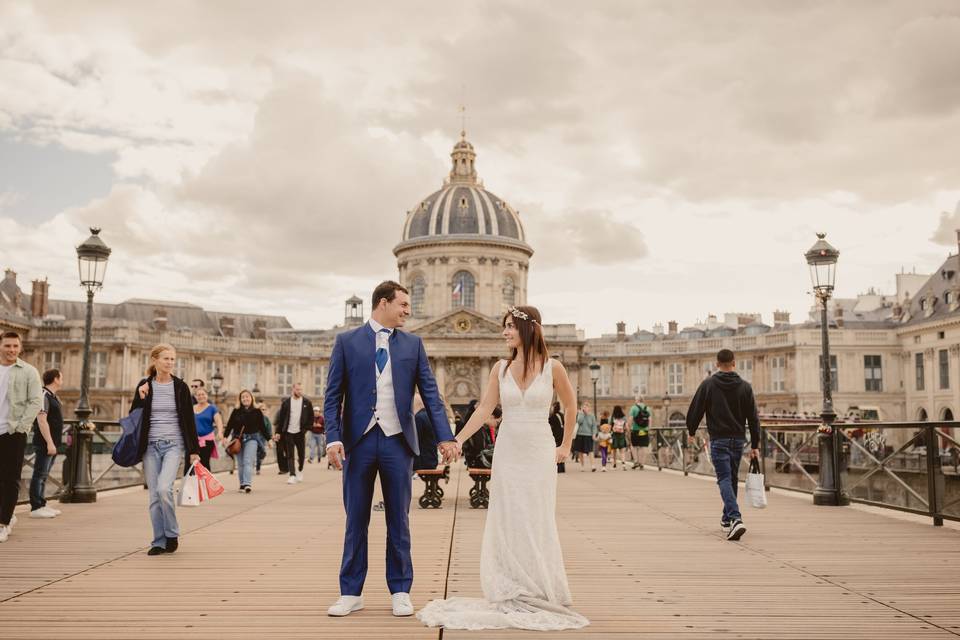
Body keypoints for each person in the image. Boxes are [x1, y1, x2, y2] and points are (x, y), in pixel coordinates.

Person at [418, 305, 589, 631]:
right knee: (509, 516)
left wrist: (565, 445)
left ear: (528, 329)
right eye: (504, 327)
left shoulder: (553, 367)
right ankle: (511, 583)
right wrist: (455, 439)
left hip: (539, 450)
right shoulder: (500, 367)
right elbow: (484, 409)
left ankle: (538, 584)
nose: (504, 332)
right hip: (509, 450)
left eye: (510, 326)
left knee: (537, 516)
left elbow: (570, 405)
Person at [324, 281, 459, 618]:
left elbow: (431, 393)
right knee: (356, 519)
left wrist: (445, 437)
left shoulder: (413, 344)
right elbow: (332, 395)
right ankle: (350, 592)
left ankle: (400, 589)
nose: (407, 312)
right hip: (359, 441)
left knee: (399, 519)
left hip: (398, 441)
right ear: (382, 303)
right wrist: (333, 437)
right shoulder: (346, 342)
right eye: (402, 305)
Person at [131, 344, 200, 555]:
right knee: (154, 496)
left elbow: (189, 420)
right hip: (150, 446)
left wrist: (193, 450)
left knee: (164, 489)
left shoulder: (180, 387)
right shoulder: (144, 386)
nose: (170, 362)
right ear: (154, 360)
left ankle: (172, 532)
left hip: (174, 445)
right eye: (166, 358)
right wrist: (140, 397)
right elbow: (134, 417)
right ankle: (158, 541)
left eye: (172, 359)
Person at [686, 348, 760, 542]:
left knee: (724, 479)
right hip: (738, 439)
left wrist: (691, 430)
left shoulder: (709, 384)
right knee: (732, 478)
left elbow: (696, 408)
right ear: (734, 363)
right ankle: (726, 518)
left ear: (716, 364)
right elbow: (753, 418)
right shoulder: (745, 387)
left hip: (719, 439)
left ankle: (735, 518)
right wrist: (755, 444)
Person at [0, 331, 43, 543]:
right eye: (7, 346)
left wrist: (22, 426)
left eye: (15, 346)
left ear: (20, 347)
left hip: (12, 431)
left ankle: (3, 523)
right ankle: (7, 513)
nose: (11, 350)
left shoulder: (28, 371)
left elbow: (36, 401)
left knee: (10, 478)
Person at [29, 368, 64, 518]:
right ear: (56, 379)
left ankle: (41, 504)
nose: (62, 380)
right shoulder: (44, 395)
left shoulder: (53, 396)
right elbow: (41, 420)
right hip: (45, 442)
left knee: (44, 474)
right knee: (39, 474)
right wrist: (49, 443)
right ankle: (36, 506)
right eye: (61, 377)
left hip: (52, 442)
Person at [224, 390, 270, 492]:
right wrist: (225, 436)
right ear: (240, 399)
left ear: (251, 398)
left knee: (248, 461)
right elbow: (230, 425)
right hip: (238, 440)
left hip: (252, 438)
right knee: (240, 463)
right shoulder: (236, 411)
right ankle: (241, 484)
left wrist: (269, 439)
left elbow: (262, 427)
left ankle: (247, 483)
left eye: (247, 397)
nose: (245, 399)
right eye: (243, 397)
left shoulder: (257, 411)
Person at [274, 382, 314, 484]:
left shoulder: (307, 403)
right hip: (288, 432)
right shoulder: (286, 403)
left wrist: (305, 429)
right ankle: (292, 475)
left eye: (301, 389)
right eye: (297, 389)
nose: (299, 391)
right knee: (290, 455)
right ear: (293, 390)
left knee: (301, 455)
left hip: (300, 432)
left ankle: (300, 469)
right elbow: (281, 419)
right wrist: (278, 432)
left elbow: (311, 418)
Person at [192, 387, 223, 472]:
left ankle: (207, 484)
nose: (201, 396)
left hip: (207, 440)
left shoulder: (212, 408)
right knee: (193, 463)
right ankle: (195, 484)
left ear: (207, 395)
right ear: (195, 397)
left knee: (204, 463)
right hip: (193, 441)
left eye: (203, 394)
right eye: (198, 395)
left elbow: (218, 421)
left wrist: (220, 432)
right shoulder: (192, 408)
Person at [573, 401, 597, 472]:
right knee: (580, 451)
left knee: (590, 451)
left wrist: (594, 434)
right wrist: (582, 414)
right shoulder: (580, 414)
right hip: (580, 434)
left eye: (587, 406)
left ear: (589, 408)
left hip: (588, 435)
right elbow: (579, 421)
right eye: (584, 406)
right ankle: (582, 466)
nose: (586, 408)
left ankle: (593, 466)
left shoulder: (592, 416)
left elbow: (594, 426)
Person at [629, 396, 651, 469]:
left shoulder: (633, 408)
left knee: (634, 446)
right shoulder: (648, 408)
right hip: (644, 430)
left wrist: (629, 427)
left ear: (637, 400)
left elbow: (631, 419)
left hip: (635, 430)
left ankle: (636, 461)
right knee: (643, 446)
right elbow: (650, 420)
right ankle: (642, 463)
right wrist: (648, 428)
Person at [610, 405, 629, 469]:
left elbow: (610, 426)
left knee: (614, 450)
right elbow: (626, 427)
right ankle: (623, 464)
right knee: (622, 450)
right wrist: (626, 432)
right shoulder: (624, 417)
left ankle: (614, 463)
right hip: (621, 435)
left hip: (614, 435)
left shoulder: (612, 417)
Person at [549, 401, 565, 473]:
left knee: (556, 450)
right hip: (562, 433)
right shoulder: (561, 414)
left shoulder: (553, 416)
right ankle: (562, 467)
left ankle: (558, 467)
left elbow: (549, 424)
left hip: (556, 434)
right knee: (561, 450)